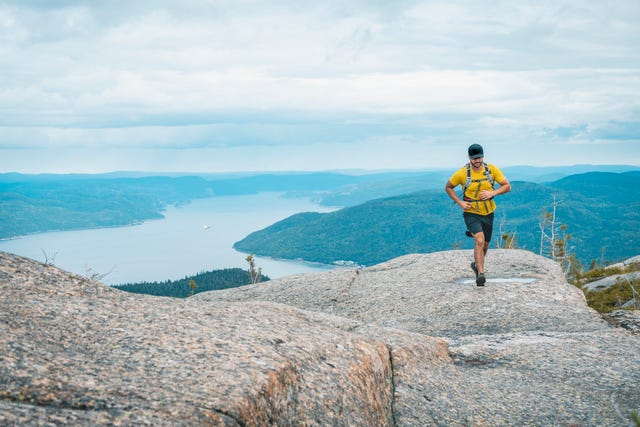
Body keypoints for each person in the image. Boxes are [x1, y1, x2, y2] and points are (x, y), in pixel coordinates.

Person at [445, 144, 511, 286]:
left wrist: (493, 193)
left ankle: (476, 265)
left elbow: (507, 186)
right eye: (474, 159)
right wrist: (460, 202)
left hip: (488, 212)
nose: (477, 161)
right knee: (479, 241)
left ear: (483, 156)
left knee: (485, 245)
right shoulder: (462, 173)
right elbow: (448, 187)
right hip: (471, 212)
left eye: (479, 158)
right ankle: (480, 274)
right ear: (469, 158)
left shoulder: (491, 170)